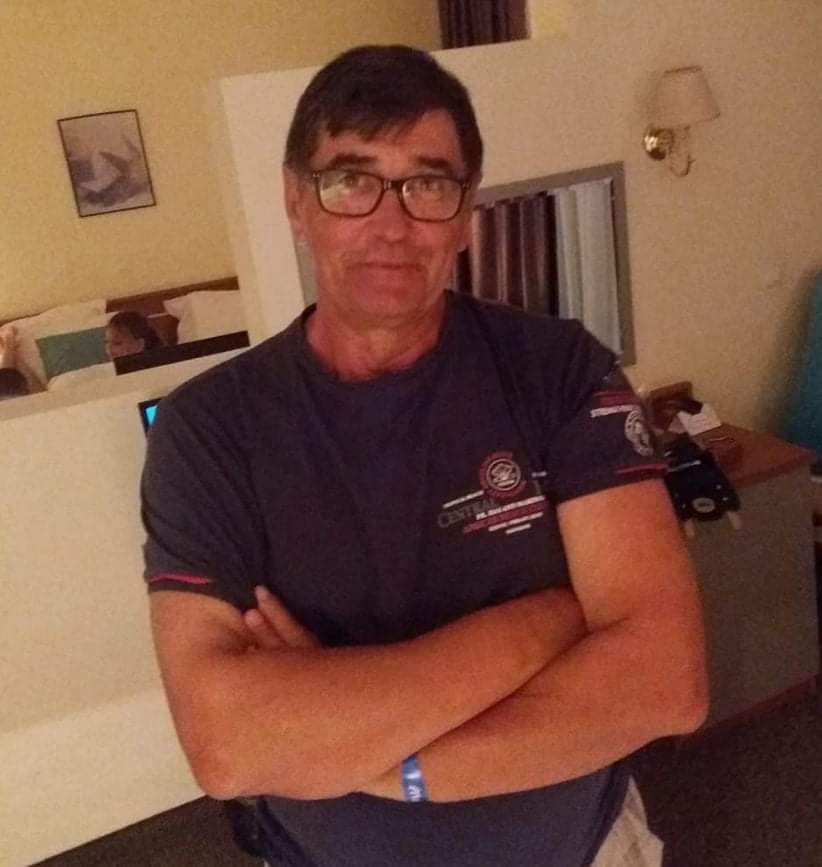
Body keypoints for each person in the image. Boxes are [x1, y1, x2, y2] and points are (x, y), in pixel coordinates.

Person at [142, 45, 707, 867]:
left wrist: (383, 760)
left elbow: (666, 682)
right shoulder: (208, 428)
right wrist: (543, 622)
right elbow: (228, 746)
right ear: (297, 201)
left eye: (428, 185)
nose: (391, 225)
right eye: (352, 180)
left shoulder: (560, 370)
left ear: (467, 213)